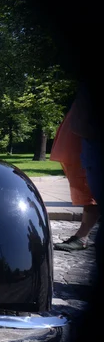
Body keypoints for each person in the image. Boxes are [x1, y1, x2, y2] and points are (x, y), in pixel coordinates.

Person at [50, 88, 100, 252]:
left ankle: (83, 236)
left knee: (93, 188)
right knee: (90, 188)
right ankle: (83, 236)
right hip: (88, 139)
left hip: (93, 139)